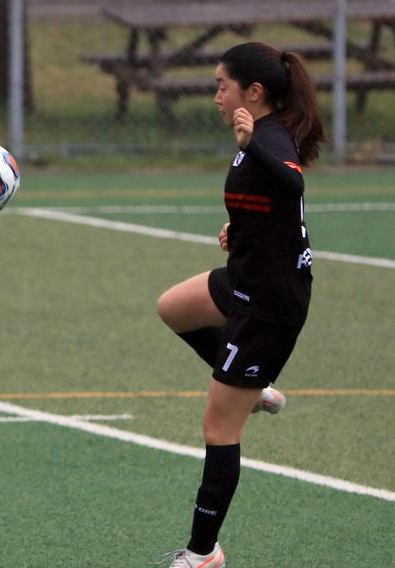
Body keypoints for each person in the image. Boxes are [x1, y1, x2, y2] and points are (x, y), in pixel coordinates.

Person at [155, 42, 325, 567]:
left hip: (270, 304)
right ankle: (254, 386)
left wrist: (253, 146)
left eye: (221, 86)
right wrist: (243, 229)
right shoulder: (255, 138)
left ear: (254, 92)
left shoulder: (267, 137)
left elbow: (291, 181)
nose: (216, 97)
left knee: (217, 428)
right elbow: (271, 206)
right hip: (247, 279)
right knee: (173, 307)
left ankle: (203, 554)